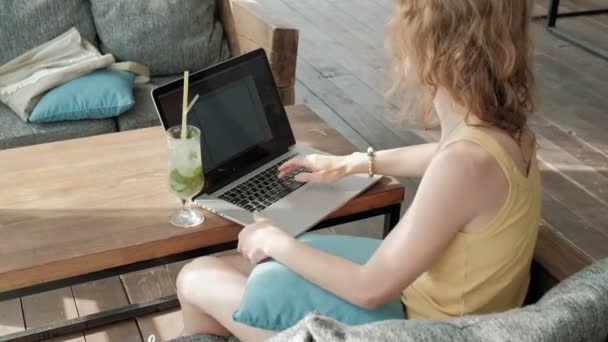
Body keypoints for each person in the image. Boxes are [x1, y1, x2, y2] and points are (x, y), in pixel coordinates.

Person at [175, 0, 541, 341]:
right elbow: (445, 155)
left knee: (196, 277)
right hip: (445, 314)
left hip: (415, 330)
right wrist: (357, 163)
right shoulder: (510, 135)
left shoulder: (462, 166)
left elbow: (368, 288)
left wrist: (275, 240)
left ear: (434, 43)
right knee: (240, 267)